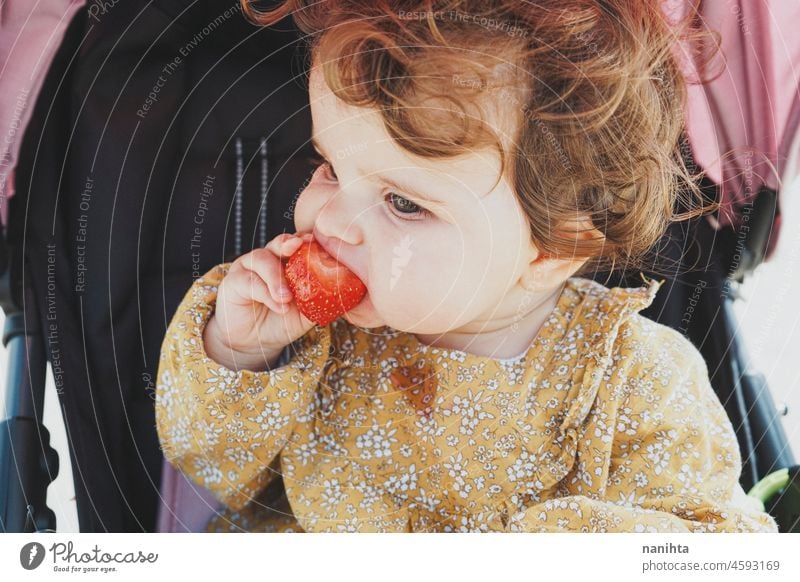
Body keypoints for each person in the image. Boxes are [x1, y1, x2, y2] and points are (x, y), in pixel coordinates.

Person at [155, 0, 777, 532]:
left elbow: (707, 546)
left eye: (403, 203)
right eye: (329, 168)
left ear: (552, 245)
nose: (331, 220)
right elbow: (216, 474)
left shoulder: (632, 380)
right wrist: (238, 354)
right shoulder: (312, 340)